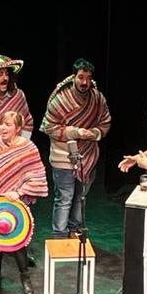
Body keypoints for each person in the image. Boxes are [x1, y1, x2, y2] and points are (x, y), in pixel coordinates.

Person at [0, 111, 49, 294]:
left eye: (8, 125)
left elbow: (36, 174)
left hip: (15, 203)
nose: (3, 128)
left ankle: (25, 278)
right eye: (2, 124)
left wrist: (19, 192)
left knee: (17, 243)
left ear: (18, 128)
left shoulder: (28, 148)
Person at [41, 58, 112, 238]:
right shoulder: (60, 100)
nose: (84, 82)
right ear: (74, 77)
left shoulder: (97, 98)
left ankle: (74, 230)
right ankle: (59, 235)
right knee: (64, 199)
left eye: (88, 78)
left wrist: (95, 133)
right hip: (63, 157)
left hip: (87, 157)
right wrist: (77, 132)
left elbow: (105, 121)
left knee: (81, 199)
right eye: (81, 77)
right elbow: (49, 127)